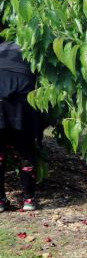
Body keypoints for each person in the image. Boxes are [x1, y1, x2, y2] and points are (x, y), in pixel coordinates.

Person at [0, 41, 43, 212]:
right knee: (26, 151)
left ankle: (1, 201)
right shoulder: (30, 51)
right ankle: (29, 199)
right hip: (23, 102)